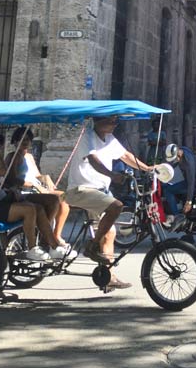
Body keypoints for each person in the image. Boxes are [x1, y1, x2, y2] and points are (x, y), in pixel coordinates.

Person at [64, 115, 153, 290]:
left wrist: (148, 169)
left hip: (99, 192)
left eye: (115, 121)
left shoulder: (110, 139)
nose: (114, 124)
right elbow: (93, 160)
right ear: (98, 121)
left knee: (110, 233)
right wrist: (112, 175)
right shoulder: (87, 137)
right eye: (111, 121)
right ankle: (91, 247)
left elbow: (126, 156)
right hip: (81, 190)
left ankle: (108, 276)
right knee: (117, 206)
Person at [0, 131, 61, 261]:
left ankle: (54, 246)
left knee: (39, 207)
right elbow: (4, 172)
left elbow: (2, 180)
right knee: (29, 210)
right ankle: (33, 249)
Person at [8, 127, 73, 255]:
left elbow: (37, 174)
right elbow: (11, 179)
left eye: (27, 139)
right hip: (25, 192)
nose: (25, 142)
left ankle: (55, 235)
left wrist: (46, 177)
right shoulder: (13, 157)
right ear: (15, 142)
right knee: (54, 200)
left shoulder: (30, 157)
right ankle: (46, 235)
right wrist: (33, 185)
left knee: (64, 198)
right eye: (21, 139)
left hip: (36, 188)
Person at [162, 143, 196, 223]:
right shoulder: (181, 150)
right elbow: (172, 164)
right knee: (166, 184)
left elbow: (191, 182)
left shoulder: (188, 161)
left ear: (178, 154)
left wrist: (189, 201)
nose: (175, 160)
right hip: (187, 179)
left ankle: (177, 216)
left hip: (193, 183)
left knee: (168, 190)